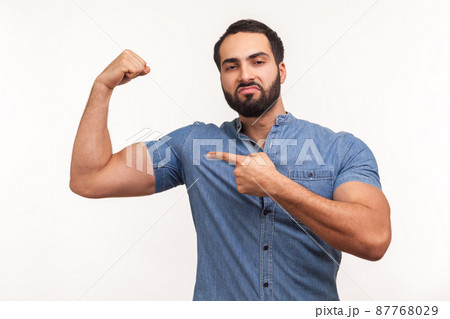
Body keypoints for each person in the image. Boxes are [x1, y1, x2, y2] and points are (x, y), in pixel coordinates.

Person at [70, 19, 391, 301]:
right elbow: (90, 179)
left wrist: (276, 186)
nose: (245, 74)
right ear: (222, 78)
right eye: (231, 66)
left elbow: (374, 239)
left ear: (281, 70)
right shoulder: (193, 144)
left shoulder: (339, 148)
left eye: (258, 61)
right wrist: (103, 87)